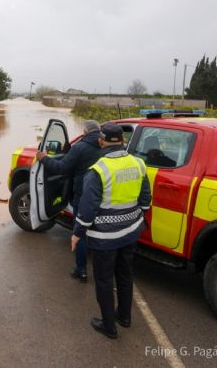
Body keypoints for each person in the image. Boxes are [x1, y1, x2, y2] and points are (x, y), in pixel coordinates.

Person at [72, 121, 151, 339]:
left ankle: (109, 326)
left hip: (104, 238)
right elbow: (146, 199)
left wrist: (77, 233)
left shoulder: (98, 170)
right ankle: (124, 317)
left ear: (101, 141)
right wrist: (137, 216)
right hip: (131, 231)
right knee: (125, 274)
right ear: (123, 140)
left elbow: (87, 209)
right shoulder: (139, 163)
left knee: (104, 280)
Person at [35, 120, 105, 283]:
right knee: (101, 234)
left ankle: (81, 270)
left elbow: (60, 168)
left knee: (80, 232)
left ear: (85, 132)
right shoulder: (107, 146)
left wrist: (44, 158)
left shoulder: (79, 147)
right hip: (105, 196)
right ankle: (103, 271)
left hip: (83, 196)